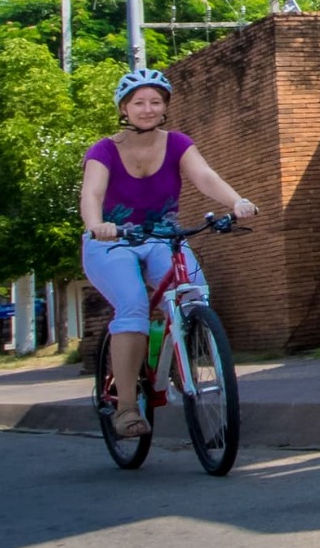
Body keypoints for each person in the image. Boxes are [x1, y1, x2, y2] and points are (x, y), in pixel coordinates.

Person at [79, 67, 257, 440]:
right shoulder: (104, 150)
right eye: (138, 102)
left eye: (155, 102)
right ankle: (126, 406)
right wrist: (98, 224)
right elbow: (92, 194)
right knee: (132, 306)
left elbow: (204, 176)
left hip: (162, 237)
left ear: (165, 108)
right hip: (112, 241)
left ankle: (181, 361)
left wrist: (236, 200)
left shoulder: (177, 143)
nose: (147, 109)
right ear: (123, 109)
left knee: (194, 293)